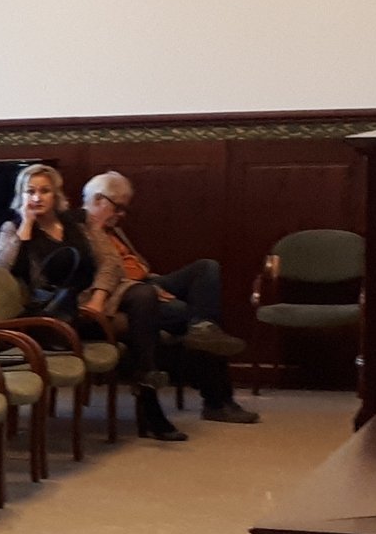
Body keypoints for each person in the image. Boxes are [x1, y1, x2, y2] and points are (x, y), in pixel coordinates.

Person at [78, 172, 255, 438]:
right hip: (122, 298)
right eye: (119, 207)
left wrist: (151, 283)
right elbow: (99, 278)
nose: (122, 214)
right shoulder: (80, 230)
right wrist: (142, 288)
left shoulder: (113, 228)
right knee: (187, 315)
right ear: (98, 200)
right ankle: (218, 400)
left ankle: (202, 328)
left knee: (206, 271)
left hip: (144, 283)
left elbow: (136, 265)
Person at [0, 165, 93, 317]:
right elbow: (3, 269)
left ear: (55, 195)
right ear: (21, 196)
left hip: (85, 297)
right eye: (30, 192)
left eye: (45, 191)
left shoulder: (74, 224)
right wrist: (27, 223)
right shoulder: (12, 228)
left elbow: (97, 261)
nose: (37, 198)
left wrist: (98, 297)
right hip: (46, 306)